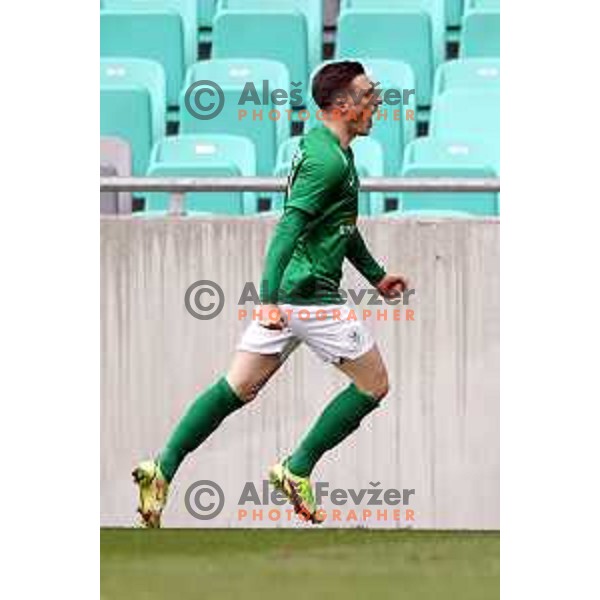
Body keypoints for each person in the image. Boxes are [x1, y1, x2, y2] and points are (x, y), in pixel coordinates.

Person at [133, 60, 409, 527]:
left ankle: (161, 467)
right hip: (311, 297)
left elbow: (340, 225)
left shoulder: (330, 149)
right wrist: (266, 298)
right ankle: (297, 467)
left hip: (289, 294)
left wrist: (375, 276)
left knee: (236, 387)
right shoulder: (327, 160)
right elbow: (288, 228)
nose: (376, 101)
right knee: (374, 384)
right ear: (342, 105)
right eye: (368, 94)